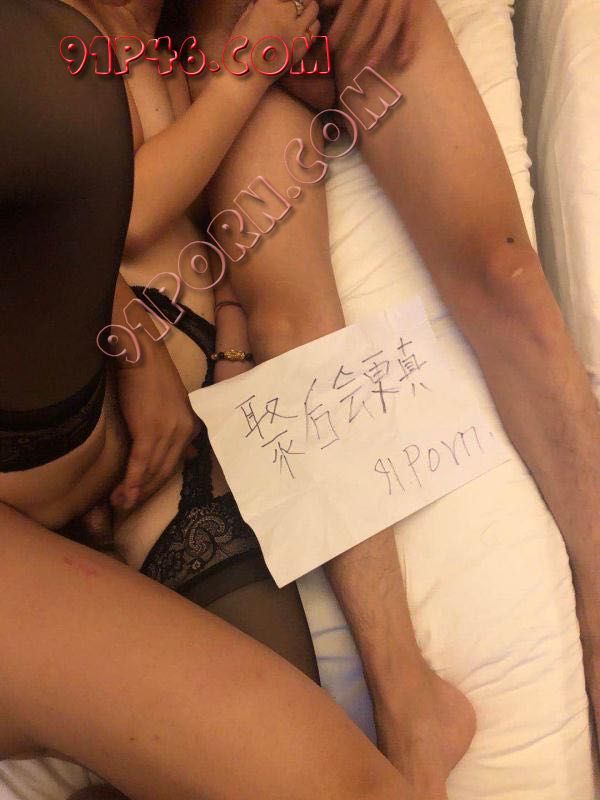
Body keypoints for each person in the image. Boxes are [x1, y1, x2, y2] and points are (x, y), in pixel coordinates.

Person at [0, 3, 417, 800]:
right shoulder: (56, 50)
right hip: (56, 426)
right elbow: (125, 215)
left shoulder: (173, 54)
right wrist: (246, 75)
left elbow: (218, 234)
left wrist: (228, 343)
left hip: (171, 473)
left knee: (285, 732)